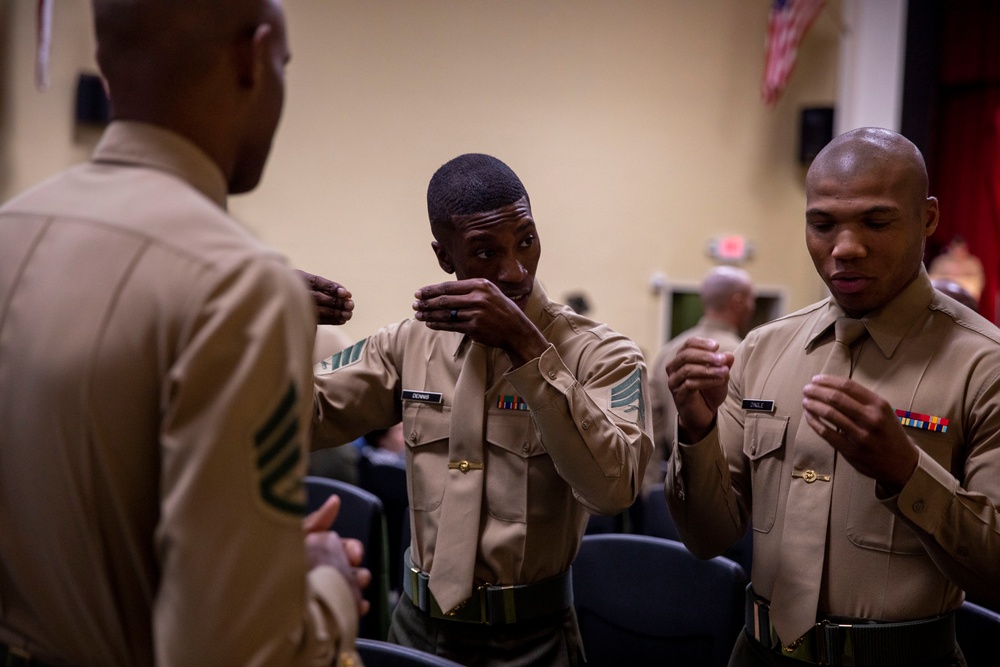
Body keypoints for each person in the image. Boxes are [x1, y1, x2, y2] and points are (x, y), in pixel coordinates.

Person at [0, 1, 365, 664]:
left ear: (107, 66)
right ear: (252, 57)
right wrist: (325, 586)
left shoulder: (10, 230)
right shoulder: (239, 286)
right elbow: (231, 653)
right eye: (284, 64)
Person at [665, 127, 1000, 667]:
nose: (845, 248)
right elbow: (707, 538)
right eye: (822, 224)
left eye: (876, 221)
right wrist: (696, 432)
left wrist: (905, 472)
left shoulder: (985, 366)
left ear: (928, 219)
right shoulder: (764, 349)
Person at [312, 153, 652, 666]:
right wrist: (262, 319)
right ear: (445, 258)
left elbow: (614, 489)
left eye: (526, 240)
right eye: (485, 252)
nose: (514, 270)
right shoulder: (408, 344)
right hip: (415, 628)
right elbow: (297, 418)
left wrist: (528, 349)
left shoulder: (603, 355)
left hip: (531, 639)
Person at [644, 266, 754, 493]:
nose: (752, 307)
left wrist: (650, 490)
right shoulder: (744, 354)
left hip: (673, 487)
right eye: (751, 299)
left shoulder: (669, 351)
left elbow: (651, 426)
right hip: (727, 489)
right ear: (737, 301)